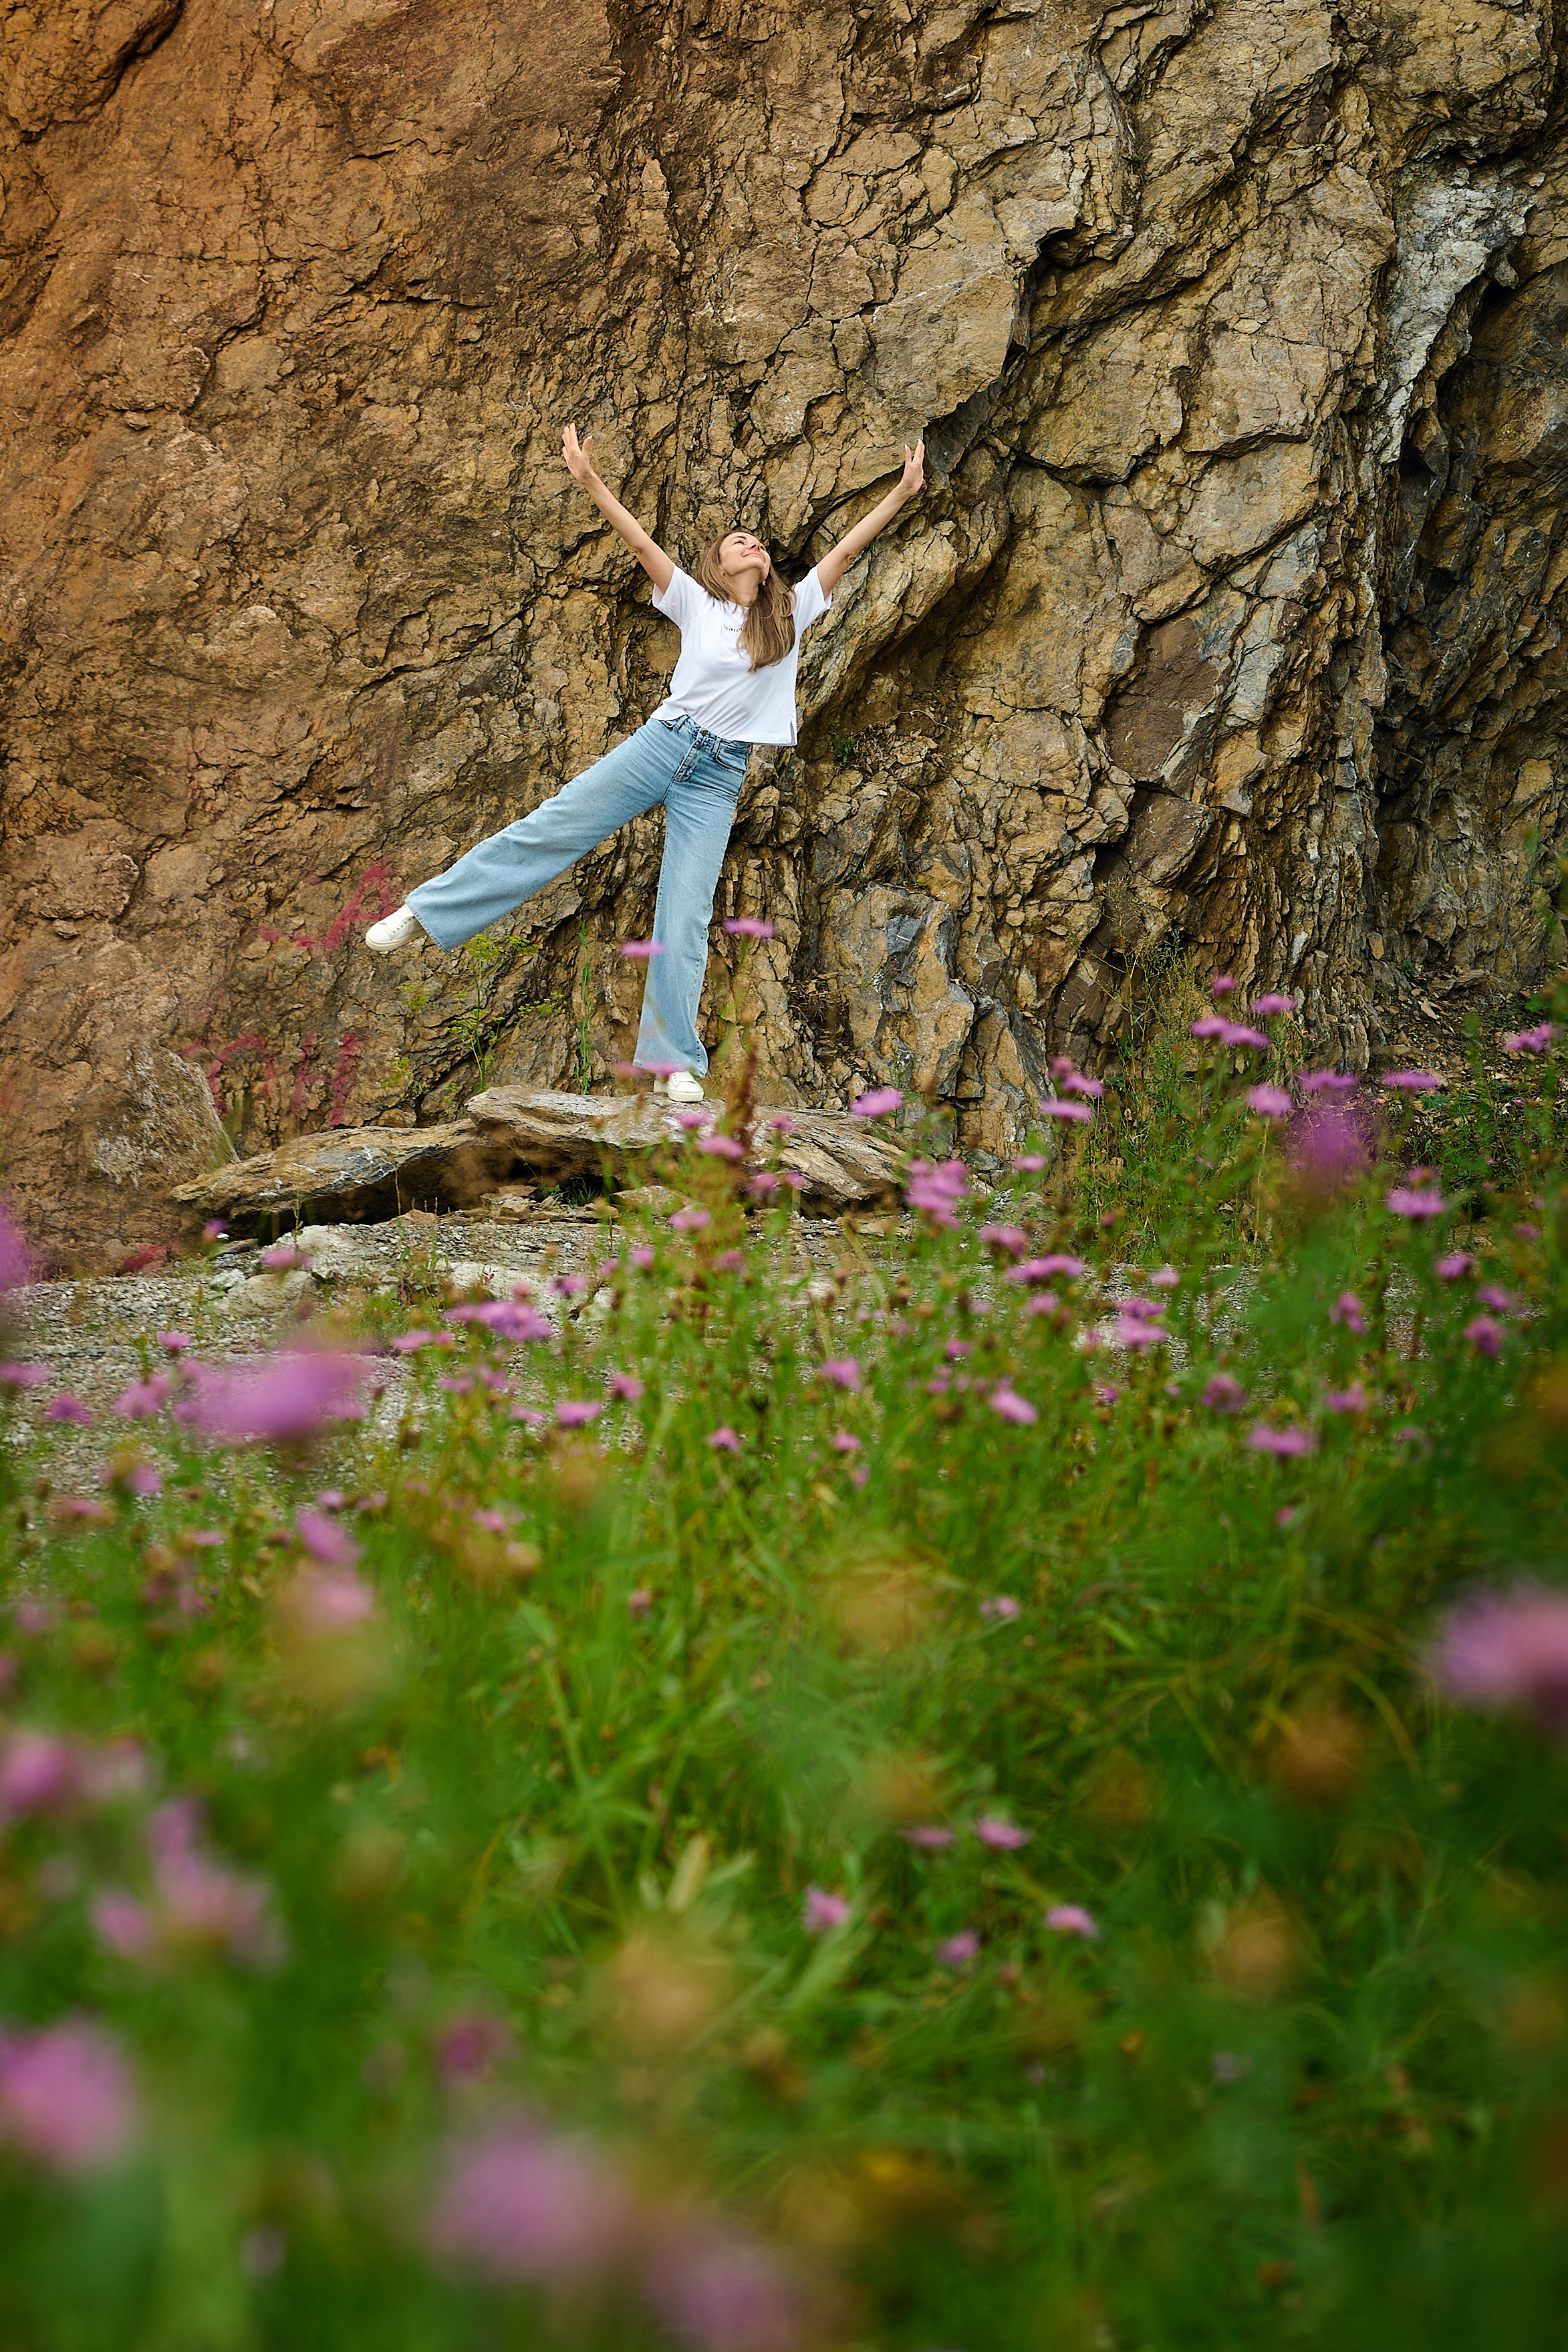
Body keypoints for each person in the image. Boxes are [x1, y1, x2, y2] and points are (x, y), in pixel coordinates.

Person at [365, 422, 927, 1101]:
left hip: (720, 775)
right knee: (552, 829)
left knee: (685, 914)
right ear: (720, 566)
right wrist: (589, 480)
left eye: (757, 540)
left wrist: (902, 491)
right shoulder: (696, 602)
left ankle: (670, 1063)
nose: (751, 543)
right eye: (735, 541)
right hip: (664, 743)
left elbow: (846, 547)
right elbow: (638, 541)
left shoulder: (791, 611)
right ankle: (425, 911)